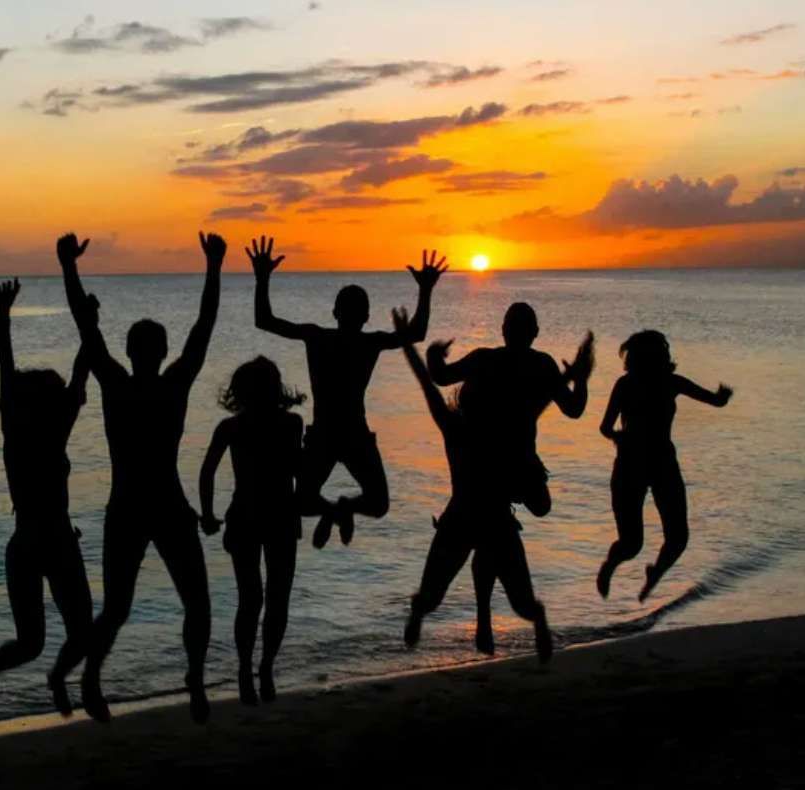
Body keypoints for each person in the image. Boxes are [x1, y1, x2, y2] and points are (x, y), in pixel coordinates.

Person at [57, 231, 224, 724]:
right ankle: (185, 678)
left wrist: (68, 265)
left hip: (135, 506)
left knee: (122, 608)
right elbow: (204, 324)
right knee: (190, 602)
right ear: (159, 350)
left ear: (130, 351)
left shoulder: (117, 383)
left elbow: (84, 326)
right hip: (156, 505)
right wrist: (213, 266)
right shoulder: (171, 384)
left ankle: (95, 678)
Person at [251, 236, 447, 548]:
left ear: (334, 312)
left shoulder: (316, 337)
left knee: (302, 502)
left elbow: (264, 320)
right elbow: (417, 333)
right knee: (377, 503)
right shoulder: (369, 343)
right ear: (366, 317)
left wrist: (262, 278)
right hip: (354, 433)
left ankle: (335, 510)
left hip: (326, 434)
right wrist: (425, 290)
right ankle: (341, 508)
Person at [392, 308, 553, 663]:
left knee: (437, 596)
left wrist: (409, 344)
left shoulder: (464, 427)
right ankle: (425, 612)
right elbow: (537, 402)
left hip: (470, 519)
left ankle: (426, 612)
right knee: (516, 601)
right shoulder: (505, 429)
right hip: (480, 520)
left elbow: (427, 383)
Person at [0, 278, 95, 718]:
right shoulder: (52, 432)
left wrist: (4, 315)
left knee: (33, 641)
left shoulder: (15, 434)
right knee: (77, 631)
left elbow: (8, 370)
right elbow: (82, 369)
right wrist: (89, 324)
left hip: (26, 543)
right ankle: (55, 676)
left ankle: (4, 673)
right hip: (54, 541)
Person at [198, 356, 304, 705]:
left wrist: (209, 513)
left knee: (256, 599)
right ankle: (259, 669)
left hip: (252, 515)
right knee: (271, 599)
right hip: (273, 517)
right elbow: (299, 471)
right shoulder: (289, 423)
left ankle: (254, 669)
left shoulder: (234, 427)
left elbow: (208, 471)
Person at [596, 330, 733, 602]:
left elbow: (712, 400)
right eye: (663, 351)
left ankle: (655, 573)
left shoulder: (672, 382)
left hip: (663, 465)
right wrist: (617, 437)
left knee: (678, 537)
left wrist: (722, 396)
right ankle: (609, 567)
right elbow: (605, 427)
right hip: (630, 466)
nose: (667, 356)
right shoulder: (626, 385)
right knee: (632, 544)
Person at [428, 303, 593, 518]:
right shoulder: (542, 365)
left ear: (503, 330)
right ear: (535, 333)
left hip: (480, 460)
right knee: (541, 506)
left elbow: (440, 376)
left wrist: (434, 354)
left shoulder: (483, 359)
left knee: (537, 504)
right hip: (515, 459)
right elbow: (574, 409)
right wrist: (581, 378)